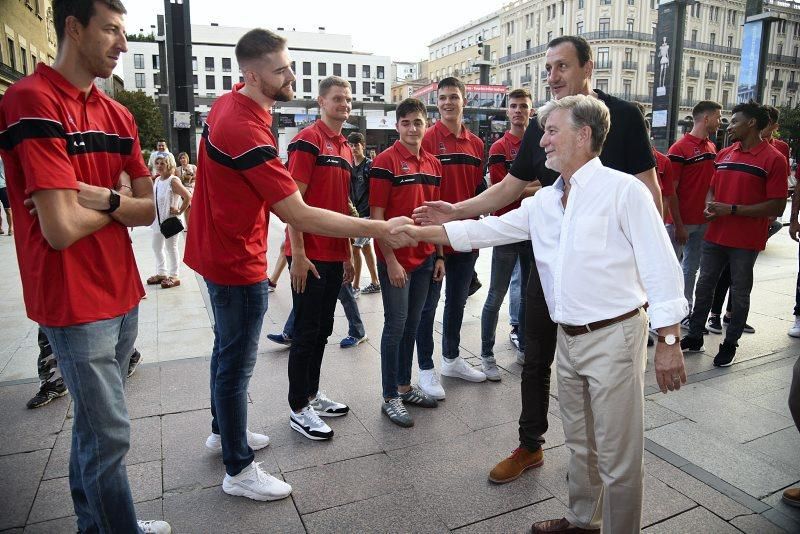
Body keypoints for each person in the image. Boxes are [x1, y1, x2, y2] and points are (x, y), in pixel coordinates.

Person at [399, 94, 687, 534]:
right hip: (567, 339)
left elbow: (662, 268)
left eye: (552, 131)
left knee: (618, 456)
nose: (543, 140)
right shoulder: (545, 202)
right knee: (580, 442)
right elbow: (490, 228)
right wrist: (430, 228)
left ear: (584, 134)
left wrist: (669, 342)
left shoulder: (624, 191)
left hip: (616, 336)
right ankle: (583, 520)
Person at [413, 35, 660, 485]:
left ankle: (597, 485)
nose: (552, 77)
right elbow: (510, 190)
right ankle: (531, 445)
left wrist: (655, 290)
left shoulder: (622, 118)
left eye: (561, 67)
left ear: (588, 68)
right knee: (536, 356)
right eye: (548, 68)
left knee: (610, 414)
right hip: (547, 266)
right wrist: (456, 210)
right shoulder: (542, 128)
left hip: (605, 284)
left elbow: (647, 192)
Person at [184, 29, 414, 501]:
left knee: (228, 353)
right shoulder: (246, 127)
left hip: (228, 247)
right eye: (281, 69)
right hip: (233, 258)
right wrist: (380, 230)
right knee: (236, 364)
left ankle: (223, 431)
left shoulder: (238, 106)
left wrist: (351, 246)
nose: (291, 75)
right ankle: (238, 467)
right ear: (251, 75)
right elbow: (299, 211)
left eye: (289, 66)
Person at [0, 1, 170, 532]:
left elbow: (155, 209)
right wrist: (119, 203)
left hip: (122, 291)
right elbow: (59, 229)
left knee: (93, 430)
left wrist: (97, 198)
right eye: (111, 30)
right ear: (73, 27)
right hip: (73, 300)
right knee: (109, 433)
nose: (122, 44)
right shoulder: (30, 101)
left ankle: (91, 525)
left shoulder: (117, 113)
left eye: (124, 31)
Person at [681, 101, 788, 366]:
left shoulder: (774, 159)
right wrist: (710, 204)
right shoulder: (725, 153)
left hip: (745, 241)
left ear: (751, 123)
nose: (730, 125)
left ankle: (730, 344)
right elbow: (712, 188)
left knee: (740, 293)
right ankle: (695, 336)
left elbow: (776, 205)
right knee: (704, 286)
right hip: (715, 236)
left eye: (735, 121)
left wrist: (732, 209)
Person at [371, 98, 444, 426]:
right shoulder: (385, 162)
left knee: (412, 325)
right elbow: (377, 217)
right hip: (397, 261)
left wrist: (439, 254)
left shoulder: (433, 163)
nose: (413, 128)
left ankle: (404, 385)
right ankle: (389, 396)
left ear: (426, 124)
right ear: (397, 126)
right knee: (395, 326)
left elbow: (435, 215)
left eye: (418, 122)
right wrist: (390, 261)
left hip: (426, 257)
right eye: (406, 123)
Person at [416, 76, 489, 400]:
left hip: (466, 236)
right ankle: (427, 370)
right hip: (435, 239)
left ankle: (451, 358)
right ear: (437, 102)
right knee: (427, 308)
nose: (447, 103)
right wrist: (436, 246)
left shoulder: (476, 144)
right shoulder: (428, 139)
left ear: (464, 101)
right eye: (442, 98)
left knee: (457, 302)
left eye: (453, 98)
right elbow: (424, 191)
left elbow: (476, 191)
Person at [480, 88, 538, 381]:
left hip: (531, 229)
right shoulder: (499, 147)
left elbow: (550, 184)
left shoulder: (540, 142)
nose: (518, 111)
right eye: (513, 106)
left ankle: (525, 346)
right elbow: (501, 193)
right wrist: (532, 186)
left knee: (529, 295)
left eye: (523, 106)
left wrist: (517, 189)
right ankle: (487, 355)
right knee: (496, 294)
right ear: (507, 111)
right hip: (506, 229)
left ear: (531, 110)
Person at [667, 101, 722, 326]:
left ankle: (684, 311)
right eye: (718, 117)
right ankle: (666, 315)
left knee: (691, 268)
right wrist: (678, 224)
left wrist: (710, 206)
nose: (720, 121)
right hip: (681, 221)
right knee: (670, 269)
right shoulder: (679, 148)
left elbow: (710, 184)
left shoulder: (712, 147)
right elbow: (671, 190)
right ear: (706, 118)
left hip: (702, 221)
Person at [147, 154, 191, 289]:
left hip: (170, 221)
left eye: (162, 163)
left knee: (171, 248)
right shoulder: (158, 180)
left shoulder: (173, 181)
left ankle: (174, 275)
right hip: (158, 222)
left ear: (169, 165)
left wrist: (179, 211)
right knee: (156, 247)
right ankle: (162, 273)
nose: (159, 166)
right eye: (157, 163)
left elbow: (188, 196)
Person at [348, 131, 381, 296]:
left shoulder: (369, 166)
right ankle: (375, 282)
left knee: (355, 248)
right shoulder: (349, 166)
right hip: (355, 214)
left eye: (356, 145)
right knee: (366, 248)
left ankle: (355, 286)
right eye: (351, 145)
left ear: (363, 146)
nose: (354, 148)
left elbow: (376, 190)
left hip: (367, 214)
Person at [176, 151, 196, 228]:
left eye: (183, 158)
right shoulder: (177, 169)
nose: (182, 159)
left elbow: (198, 177)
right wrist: (183, 178)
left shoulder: (193, 167)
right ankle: (188, 226)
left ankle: (193, 224)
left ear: (187, 158)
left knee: (193, 208)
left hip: (193, 188)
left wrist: (191, 177)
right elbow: (178, 180)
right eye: (180, 158)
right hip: (184, 189)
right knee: (187, 207)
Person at [0, 155, 11, 235]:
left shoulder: (3, 156)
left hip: (3, 186)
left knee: (7, 209)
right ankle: (0, 228)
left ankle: (11, 228)